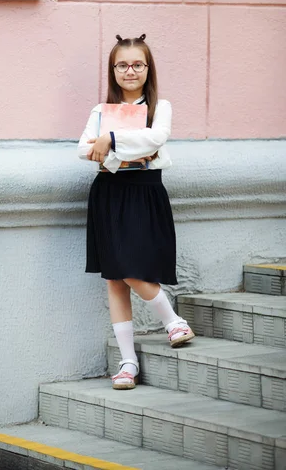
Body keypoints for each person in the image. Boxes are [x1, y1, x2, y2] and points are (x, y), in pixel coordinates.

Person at [77, 33, 194, 390]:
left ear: (148, 68)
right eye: (122, 65)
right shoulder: (100, 111)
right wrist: (122, 152)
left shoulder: (162, 107)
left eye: (138, 64)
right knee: (115, 276)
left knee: (131, 267)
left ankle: (173, 320)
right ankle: (128, 362)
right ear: (113, 70)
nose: (130, 71)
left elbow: (155, 140)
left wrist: (110, 141)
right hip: (109, 194)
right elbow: (84, 149)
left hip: (145, 192)